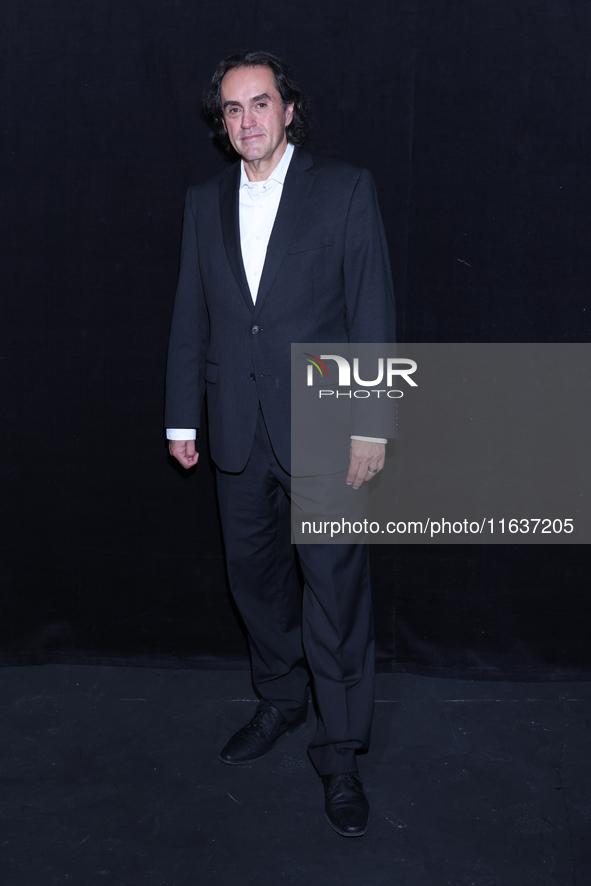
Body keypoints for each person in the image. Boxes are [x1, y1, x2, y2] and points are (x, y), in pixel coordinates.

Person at [165, 51, 396, 837]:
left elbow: (371, 308)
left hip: (327, 427)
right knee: (255, 583)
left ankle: (338, 754)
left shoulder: (343, 188)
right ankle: (280, 700)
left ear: (288, 109)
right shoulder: (203, 202)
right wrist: (180, 419)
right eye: (232, 110)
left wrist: (371, 422)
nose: (247, 120)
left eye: (259, 103)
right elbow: (190, 316)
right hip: (234, 430)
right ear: (222, 124)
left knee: (333, 597)